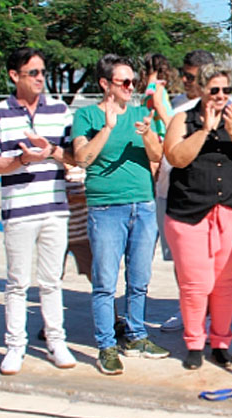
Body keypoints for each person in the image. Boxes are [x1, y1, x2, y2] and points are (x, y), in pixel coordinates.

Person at [72, 53, 168, 375]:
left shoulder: (142, 113)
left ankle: (137, 335)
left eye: (133, 81)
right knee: (104, 282)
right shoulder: (86, 116)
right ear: (105, 84)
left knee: (139, 279)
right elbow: (82, 159)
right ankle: (106, 345)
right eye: (124, 82)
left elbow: (158, 155)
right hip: (106, 208)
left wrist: (146, 135)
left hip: (142, 205)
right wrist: (108, 129)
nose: (131, 87)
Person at [163, 64, 232, 370]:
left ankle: (220, 341)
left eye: (226, 90)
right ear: (202, 91)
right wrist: (205, 130)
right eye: (214, 90)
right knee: (195, 282)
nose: (221, 96)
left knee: (224, 282)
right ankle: (194, 342)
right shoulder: (184, 118)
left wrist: (231, 129)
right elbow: (175, 157)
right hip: (189, 211)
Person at [0, 47, 77, 375]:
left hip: (55, 208)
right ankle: (15, 346)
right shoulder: (1, 111)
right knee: (18, 282)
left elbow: (75, 157)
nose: (40, 78)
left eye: (43, 72)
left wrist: (52, 152)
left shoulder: (60, 111)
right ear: (14, 75)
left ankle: (56, 342)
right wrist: (22, 160)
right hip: (18, 210)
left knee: (51, 281)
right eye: (33, 73)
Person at [159, 49, 216, 333]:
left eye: (190, 76)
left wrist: (162, 110)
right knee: (179, 261)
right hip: (166, 190)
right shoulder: (176, 103)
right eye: (183, 73)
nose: (184, 80)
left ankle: (206, 317)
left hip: (195, 195)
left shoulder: (206, 107)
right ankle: (187, 311)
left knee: (202, 263)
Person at [141, 53, 175, 140]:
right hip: (161, 128)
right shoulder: (158, 85)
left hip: (153, 128)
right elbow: (157, 103)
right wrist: (168, 123)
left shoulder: (148, 89)